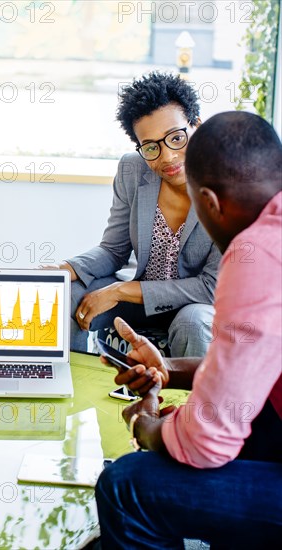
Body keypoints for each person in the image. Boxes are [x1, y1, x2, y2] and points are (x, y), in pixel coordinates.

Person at [95, 111, 282, 549]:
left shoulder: (256, 252)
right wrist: (169, 369)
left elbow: (206, 444)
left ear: (210, 203)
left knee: (126, 486)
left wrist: (147, 427)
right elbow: (259, 369)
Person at [52, 73, 221, 354]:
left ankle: (188, 399)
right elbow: (113, 250)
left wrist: (117, 292)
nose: (167, 157)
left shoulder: (228, 185)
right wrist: (68, 268)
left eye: (177, 138)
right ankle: (72, 387)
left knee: (193, 321)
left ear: (197, 126)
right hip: (138, 298)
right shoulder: (132, 169)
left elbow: (211, 287)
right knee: (68, 295)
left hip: (196, 306)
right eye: (151, 147)